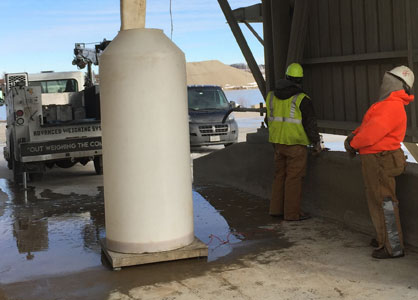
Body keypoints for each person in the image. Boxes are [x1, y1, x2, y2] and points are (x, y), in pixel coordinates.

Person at [345, 65, 414, 259]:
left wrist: (353, 143)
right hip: (378, 158)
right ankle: (384, 238)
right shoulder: (387, 104)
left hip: (379, 159)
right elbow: (368, 127)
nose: (384, 83)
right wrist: (354, 136)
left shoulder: (390, 106)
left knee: (384, 201)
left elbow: (371, 134)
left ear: (396, 84)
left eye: (388, 79)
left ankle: (392, 246)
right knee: (378, 200)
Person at [267, 63, 321, 221]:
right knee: (294, 178)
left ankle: (276, 210)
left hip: (278, 143)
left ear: (286, 77)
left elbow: (269, 120)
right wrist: (316, 143)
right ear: (300, 80)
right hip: (296, 145)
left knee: (279, 176)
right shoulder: (302, 99)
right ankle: (291, 214)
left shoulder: (271, 96)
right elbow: (310, 124)